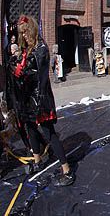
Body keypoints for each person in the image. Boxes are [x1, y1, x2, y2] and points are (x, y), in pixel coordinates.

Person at [8, 15, 74, 186]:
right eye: (21, 33)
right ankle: (37, 160)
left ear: (32, 30)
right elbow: (21, 73)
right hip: (28, 98)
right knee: (30, 128)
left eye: (25, 32)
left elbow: (36, 75)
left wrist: (20, 67)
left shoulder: (41, 48)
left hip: (41, 98)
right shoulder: (27, 50)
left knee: (49, 133)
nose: (23, 36)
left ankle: (66, 169)